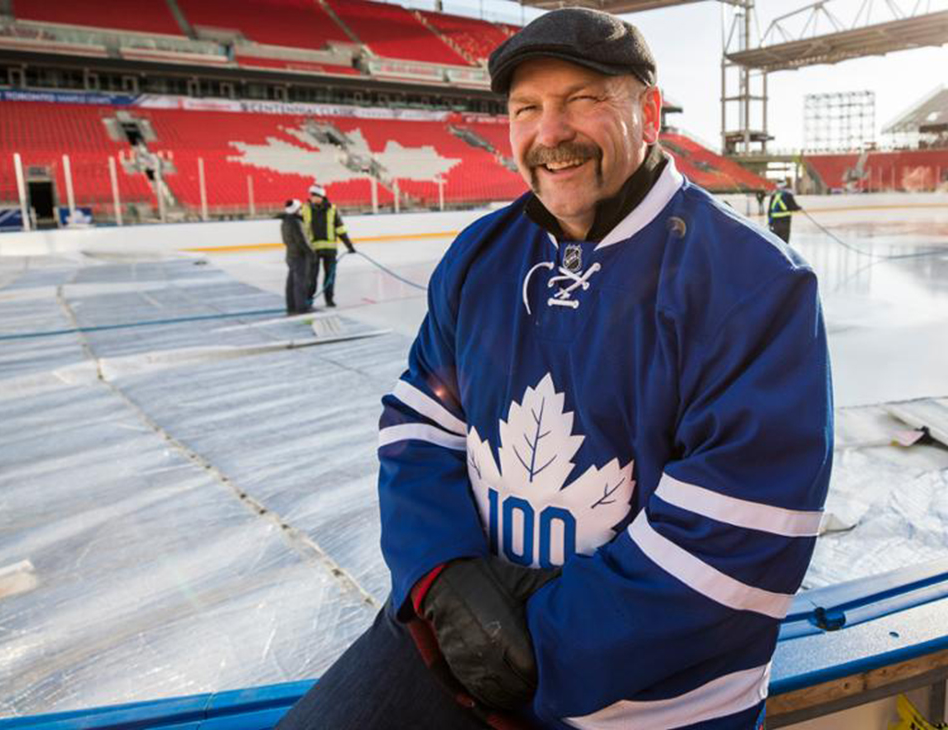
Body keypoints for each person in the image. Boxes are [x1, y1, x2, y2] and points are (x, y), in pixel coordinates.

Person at [277, 8, 833, 730]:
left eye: (582, 101)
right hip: (451, 641)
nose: (550, 133)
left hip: (649, 703)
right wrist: (441, 577)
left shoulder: (755, 285)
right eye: (526, 109)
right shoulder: (480, 256)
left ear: (650, 112)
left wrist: (535, 647)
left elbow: (739, 540)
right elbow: (418, 427)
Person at [302, 184, 356, 307]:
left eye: (315, 195)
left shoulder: (332, 209)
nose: (313, 198)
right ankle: (308, 298)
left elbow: (340, 229)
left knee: (330, 277)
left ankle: (329, 299)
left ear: (322, 196)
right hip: (313, 250)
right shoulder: (305, 209)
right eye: (312, 195)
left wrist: (349, 245)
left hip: (330, 250)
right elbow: (301, 229)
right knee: (311, 277)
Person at [280, 199, 315, 315]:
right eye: (300, 208)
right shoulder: (296, 222)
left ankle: (291, 307)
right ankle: (302, 307)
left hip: (290, 255)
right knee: (301, 283)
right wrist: (311, 253)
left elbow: (286, 240)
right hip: (299, 256)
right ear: (296, 210)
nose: (302, 210)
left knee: (291, 283)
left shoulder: (285, 221)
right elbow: (302, 241)